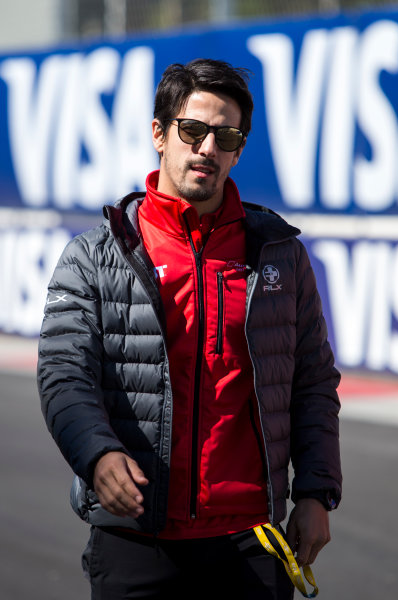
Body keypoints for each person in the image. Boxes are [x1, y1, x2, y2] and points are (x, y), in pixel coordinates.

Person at [38, 58, 342, 600]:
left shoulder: (281, 256)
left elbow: (313, 383)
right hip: (135, 534)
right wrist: (98, 453)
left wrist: (316, 493)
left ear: (239, 148)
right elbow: (64, 374)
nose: (207, 148)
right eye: (193, 130)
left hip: (252, 536)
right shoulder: (94, 255)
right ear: (160, 133)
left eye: (225, 135)